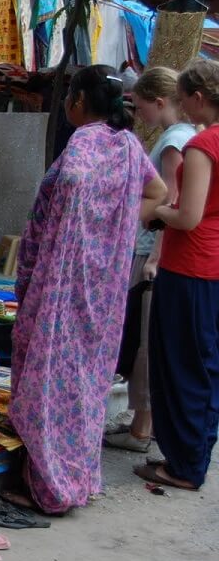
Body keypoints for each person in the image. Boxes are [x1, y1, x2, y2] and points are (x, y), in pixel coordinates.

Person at [7, 65, 167, 514]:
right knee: (86, 382)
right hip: (104, 290)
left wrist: (85, 233)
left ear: (77, 101)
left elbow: (74, 188)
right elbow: (157, 193)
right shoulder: (130, 145)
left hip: (65, 286)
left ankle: (50, 488)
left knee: (49, 379)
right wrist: (114, 227)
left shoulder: (83, 145)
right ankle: (73, 481)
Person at [138, 60, 219, 491]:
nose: (183, 107)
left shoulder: (203, 144)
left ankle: (184, 464)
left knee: (181, 366)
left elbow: (187, 215)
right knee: (204, 365)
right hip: (212, 266)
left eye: (185, 98)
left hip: (191, 266)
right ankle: (192, 454)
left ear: (198, 98)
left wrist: (154, 212)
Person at [107, 67, 196, 453]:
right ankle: (144, 421)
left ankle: (142, 425)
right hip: (152, 245)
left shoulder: (174, 142)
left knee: (143, 338)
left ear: (159, 103)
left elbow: (172, 202)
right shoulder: (181, 137)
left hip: (151, 247)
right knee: (145, 336)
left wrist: (154, 256)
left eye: (140, 106)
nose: (138, 114)